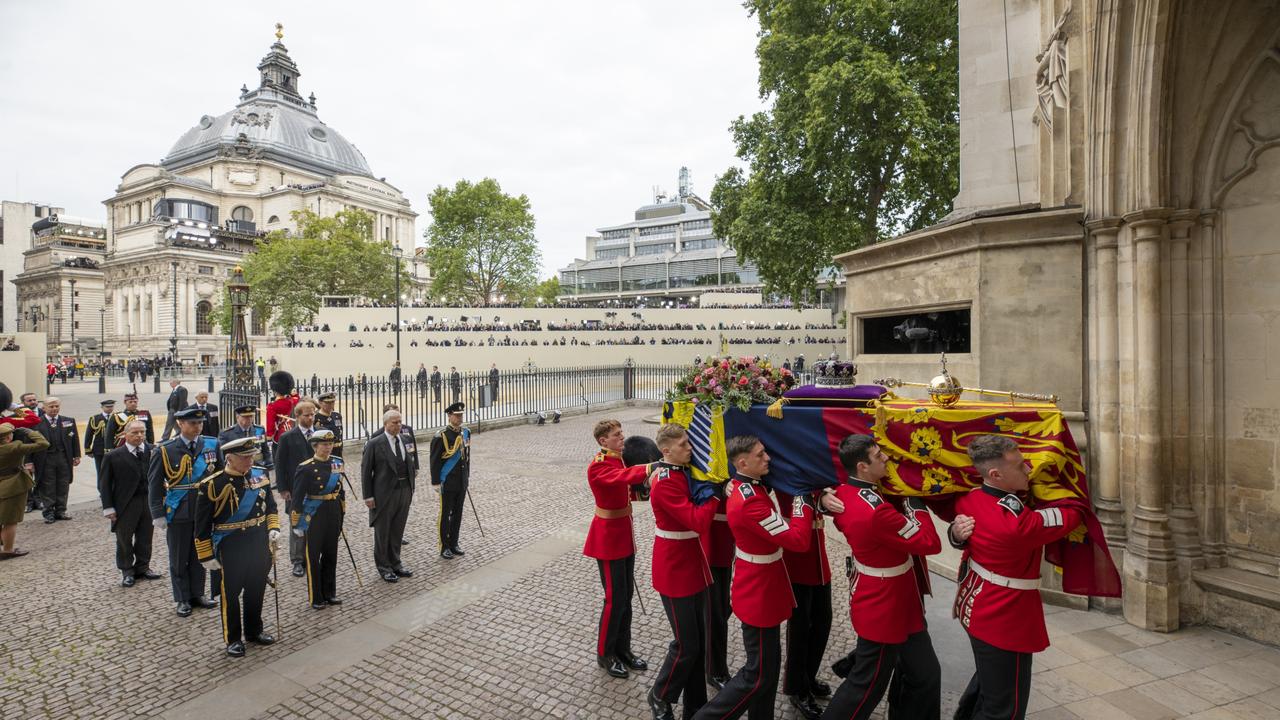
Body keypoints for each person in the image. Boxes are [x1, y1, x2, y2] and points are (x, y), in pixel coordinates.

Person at [819, 434, 953, 719]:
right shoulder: (876, 511)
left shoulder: (844, 493)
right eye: (879, 456)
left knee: (926, 674)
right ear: (862, 466)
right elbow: (930, 542)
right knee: (865, 686)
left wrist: (820, 498)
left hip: (899, 598)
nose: (887, 459)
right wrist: (915, 503)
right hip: (885, 605)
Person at [951, 435, 1080, 720]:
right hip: (1005, 618)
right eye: (1021, 465)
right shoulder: (1017, 525)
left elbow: (960, 527)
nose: (1029, 468)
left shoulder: (969, 498)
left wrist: (954, 535)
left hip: (975, 604)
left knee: (988, 686)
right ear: (995, 474)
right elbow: (1073, 513)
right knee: (1004, 709)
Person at [692, 436, 815, 720]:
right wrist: (802, 501)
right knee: (757, 674)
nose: (768, 458)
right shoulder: (749, 501)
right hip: (759, 591)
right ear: (743, 462)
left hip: (765, 583)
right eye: (761, 455)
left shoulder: (745, 485)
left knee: (769, 669)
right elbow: (797, 540)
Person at [647, 424, 719, 720]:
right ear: (667, 451)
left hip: (691, 563)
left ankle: (695, 705)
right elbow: (696, 521)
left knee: (698, 643)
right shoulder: (665, 481)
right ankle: (660, 695)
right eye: (684, 445)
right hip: (675, 568)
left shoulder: (679, 472)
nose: (690, 449)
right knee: (686, 643)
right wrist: (714, 497)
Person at [195, 436, 280, 657]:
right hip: (230, 546)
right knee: (230, 594)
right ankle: (233, 638)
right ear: (230, 459)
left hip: (258, 542)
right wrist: (206, 555)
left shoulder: (260, 476)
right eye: (244, 458)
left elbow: (271, 507)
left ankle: (254, 630)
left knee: (256, 589)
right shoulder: (212, 484)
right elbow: (202, 524)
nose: (250, 461)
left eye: (252, 456)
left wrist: (274, 528)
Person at [584, 420, 654, 680]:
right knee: (614, 600)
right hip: (607, 540)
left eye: (621, 433)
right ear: (603, 441)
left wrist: (645, 491)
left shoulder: (618, 460)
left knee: (626, 599)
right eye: (616, 435)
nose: (622, 438)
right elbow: (620, 479)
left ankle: (623, 649)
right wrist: (650, 467)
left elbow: (625, 492)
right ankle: (605, 654)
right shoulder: (599, 465)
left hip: (624, 535)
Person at [149, 407, 221, 617]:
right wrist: (157, 513)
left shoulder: (211, 444)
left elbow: (219, 475)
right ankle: (182, 598)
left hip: (204, 508)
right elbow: (154, 484)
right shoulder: (165, 449)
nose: (197, 427)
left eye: (199, 423)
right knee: (179, 557)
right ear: (180, 424)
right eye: (192, 424)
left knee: (201, 553)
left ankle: (197, 593)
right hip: (178, 509)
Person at [98, 419, 161, 586]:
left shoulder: (154, 451)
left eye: (142, 432)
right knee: (124, 539)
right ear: (125, 434)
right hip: (125, 504)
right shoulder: (113, 456)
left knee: (145, 537)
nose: (139, 436)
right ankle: (127, 570)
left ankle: (143, 567)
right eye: (135, 432)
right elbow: (104, 484)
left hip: (148, 501)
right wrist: (108, 508)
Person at [291, 429, 346, 609]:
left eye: (330, 444)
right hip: (315, 515)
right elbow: (297, 497)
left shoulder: (337, 463)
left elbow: (340, 490)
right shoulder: (305, 467)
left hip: (333, 511)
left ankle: (330, 592)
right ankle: (316, 596)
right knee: (313, 557)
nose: (328, 447)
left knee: (331, 554)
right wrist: (296, 523)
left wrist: (342, 512)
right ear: (315, 446)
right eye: (324, 444)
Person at [362, 409, 417, 582]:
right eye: (394, 422)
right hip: (384, 494)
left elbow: (412, 462)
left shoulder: (406, 440)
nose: (398, 425)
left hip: (404, 491)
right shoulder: (374, 444)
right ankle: (384, 567)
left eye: (400, 422)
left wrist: (411, 485)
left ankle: (396, 563)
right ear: (386, 424)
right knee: (383, 531)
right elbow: (365, 472)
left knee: (397, 530)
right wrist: (368, 496)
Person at [274, 399, 318, 577]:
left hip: (317, 489)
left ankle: (312, 556)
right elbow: (280, 464)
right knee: (297, 523)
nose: (311, 418)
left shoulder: (320, 434)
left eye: (313, 414)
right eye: (307, 415)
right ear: (297, 416)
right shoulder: (287, 437)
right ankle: (298, 560)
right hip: (296, 489)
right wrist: (284, 488)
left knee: (315, 523)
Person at [702, 482, 735, 691]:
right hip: (710, 536)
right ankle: (715, 669)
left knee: (722, 608)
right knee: (714, 612)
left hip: (726, 536)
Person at [0, 423, 48, 559]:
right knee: (10, 520)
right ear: (8, 438)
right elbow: (43, 444)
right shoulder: (14, 448)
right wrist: (29, 432)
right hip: (12, 486)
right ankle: (8, 550)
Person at [429, 402, 469, 559]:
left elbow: (466, 457)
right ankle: (444, 546)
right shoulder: (442, 436)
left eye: (461, 415)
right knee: (445, 513)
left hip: (461, 480)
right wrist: (436, 482)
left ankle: (454, 542)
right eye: (456, 415)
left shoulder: (465, 433)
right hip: (448, 480)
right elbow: (434, 460)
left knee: (458, 513)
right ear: (449, 416)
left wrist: (466, 476)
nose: (459, 418)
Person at [32, 396, 80, 524]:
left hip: (63, 457)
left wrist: (76, 455)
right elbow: (29, 443)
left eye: (56, 406)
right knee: (48, 486)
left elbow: (74, 440)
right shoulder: (36, 423)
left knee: (63, 484)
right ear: (44, 408)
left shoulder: (68, 421)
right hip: (45, 459)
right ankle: (48, 512)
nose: (54, 409)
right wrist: (28, 461)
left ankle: (60, 510)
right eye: (51, 406)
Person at [218, 406, 273, 480]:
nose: (249, 419)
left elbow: (265, 449)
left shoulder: (259, 430)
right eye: (245, 417)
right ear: (237, 417)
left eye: (251, 416)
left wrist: (268, 463)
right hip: (237, 468)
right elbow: (222, 455)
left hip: (258, 466)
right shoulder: (227, 433)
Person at [84, 399, 116, 479]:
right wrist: (88, 449)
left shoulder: (117, 418)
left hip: (115, 448)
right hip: (99, 450)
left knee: (115, 471)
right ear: (102, 407)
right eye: (107, 407)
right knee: (101, 472)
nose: (109, 408)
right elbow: (89, 434)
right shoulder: (95, 419)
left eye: (111, 406)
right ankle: (102, 489)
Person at [266, 371, 298, 443]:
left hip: (280, 437)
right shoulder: (293, 401)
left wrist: (268, 437)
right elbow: (296, 397)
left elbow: (270, 427)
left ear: (274, 390)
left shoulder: (272, 406)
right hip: (293, 433)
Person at [314, 392, 344, 459]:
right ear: (320, 403)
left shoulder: (337, 416)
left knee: (338, 469)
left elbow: (340, 435)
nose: (330, 405)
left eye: (332, 402)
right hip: (324, 453)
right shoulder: (316, 418)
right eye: (327, 403)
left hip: (338, 452)